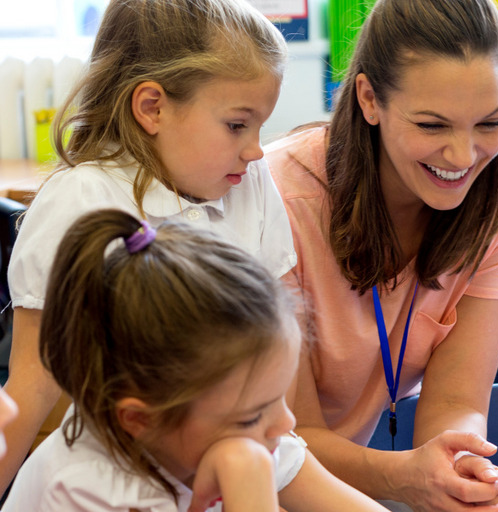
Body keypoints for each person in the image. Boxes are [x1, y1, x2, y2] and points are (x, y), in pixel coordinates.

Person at [0, 0, 295, 492]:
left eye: (261, 126)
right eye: (238, 125)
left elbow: (273, 371)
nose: (256, 149)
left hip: (223, 463)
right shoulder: (80, 199)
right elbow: (31, 391)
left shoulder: (248, 178)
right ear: (152, 107)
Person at [263, 0, 498, 510]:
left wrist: (460, 467)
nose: (463, 156)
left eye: (490, 123)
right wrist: (403, 477)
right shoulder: (277, 200)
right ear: (369, 99)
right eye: (433, 126)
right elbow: (285, 440)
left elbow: (457, 401)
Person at [1, 210, 384, 511]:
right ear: (139, 419)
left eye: (277, 398)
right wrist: (248, 475)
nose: (286, 422)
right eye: (254, 414)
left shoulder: (236, 425)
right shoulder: (87, 491)